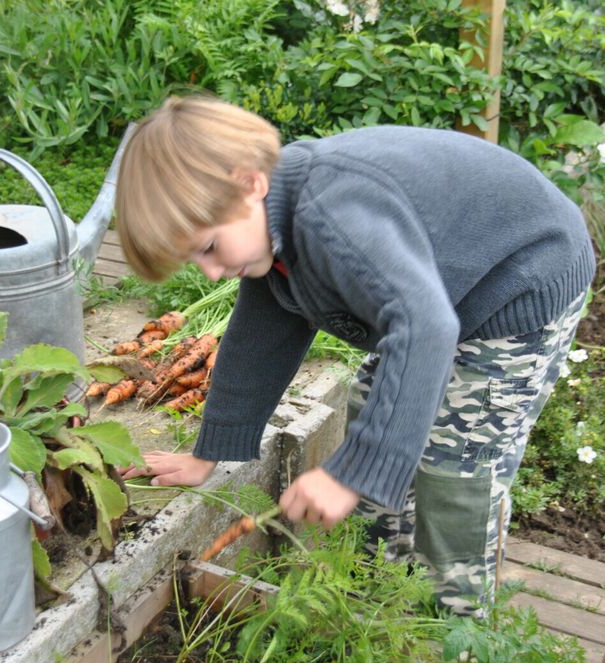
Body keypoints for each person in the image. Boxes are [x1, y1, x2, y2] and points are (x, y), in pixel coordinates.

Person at [117, 95, 595, 614]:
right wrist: (208, 451)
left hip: (518, 282)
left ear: (249, 184)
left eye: (208, 248)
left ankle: (458, 635)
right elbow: (258, 339)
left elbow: (425, 328)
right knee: (371, 407)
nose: (210, 272)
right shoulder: (269, 232)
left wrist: (349, 474)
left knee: (455, 466)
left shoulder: (335, 217)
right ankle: (381, 587)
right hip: (439, 294)